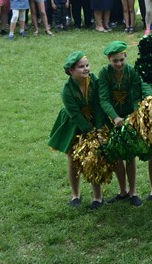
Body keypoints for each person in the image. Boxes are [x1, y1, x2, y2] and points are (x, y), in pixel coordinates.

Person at [96, 41, 152, 207]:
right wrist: (114, 117)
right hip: (112, 119)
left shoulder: (132, 72)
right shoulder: (104, 73)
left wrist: (132, 117)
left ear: (126, 56)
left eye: (121, 60)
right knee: (117, 156)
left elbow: (136, 97)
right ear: (109, 59)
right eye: (115, 61)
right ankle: (123, 190)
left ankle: (133, 191)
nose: (119, 64)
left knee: (130, 156)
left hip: (129, 118)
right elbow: (104, 99)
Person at [48, 52, 104, 209]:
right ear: (71, 71)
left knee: (94, 157)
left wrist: (98, 129)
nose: (86, 69)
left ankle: (98, 197)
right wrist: (90, 132)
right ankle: (76, 195)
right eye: (81, 67)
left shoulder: (94, 81)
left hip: (94, 120)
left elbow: (99, 106)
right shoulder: (67, 91)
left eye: (87, 65)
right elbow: (76, 115)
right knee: (73, 160)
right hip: (74, 125)